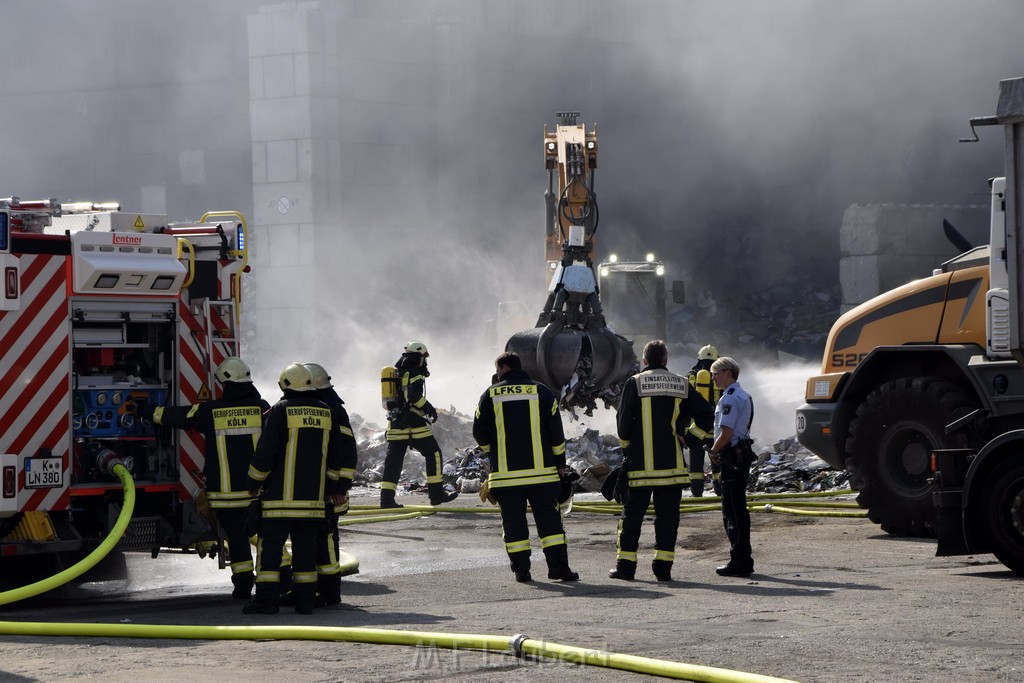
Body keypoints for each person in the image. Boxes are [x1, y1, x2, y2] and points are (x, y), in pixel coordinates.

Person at [140, 356, 270, 600]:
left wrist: (148, 411)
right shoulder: (264, 409)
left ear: (227, 385)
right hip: (259, 493)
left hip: (226, 496)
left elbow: (179, 416)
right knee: (268, 538)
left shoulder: (212, 411)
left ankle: (243, 587)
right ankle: (274, 584)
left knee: (238, 540)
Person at [243, 363, 346, 614]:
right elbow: (336, 457)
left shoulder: (280, 410)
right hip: (313, 504)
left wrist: (253, 483)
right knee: (306, 555)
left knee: (269, 552)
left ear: (286, 384)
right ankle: (305, 603)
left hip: (279, 503)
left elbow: (266, 453)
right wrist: (331, 486)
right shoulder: (326, 411)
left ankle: (266, 602)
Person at [610, 340, 714, 582]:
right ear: (665, 361)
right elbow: (708, 415)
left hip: (639, 468)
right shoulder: (681, 383)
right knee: (668, 520)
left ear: (645, 361)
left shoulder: (634, 383)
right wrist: (689, 438)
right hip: (672, 470)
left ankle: (626, 568)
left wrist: (628, 450)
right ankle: (663, 569)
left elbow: (623, 425)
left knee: (632, 518)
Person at [472, 351, 578, 583]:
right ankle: (559, 569)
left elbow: (479, 432)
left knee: (513, 525)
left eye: (498, 369)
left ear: (505, 368)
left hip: (506, 478)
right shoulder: (542, 391)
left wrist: (495, 453)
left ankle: (522, 571)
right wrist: (560, 466)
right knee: (550, 523)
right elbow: (556, 436)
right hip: (543, 475)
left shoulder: (489, 395)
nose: (496, 374)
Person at [304, 362, 358, 608]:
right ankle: (318, 590)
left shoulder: (333, 410)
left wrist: (339, 488)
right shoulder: (324, 405)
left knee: (326, 540)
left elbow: (347, 452)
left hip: (330, 492)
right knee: (319, 540)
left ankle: (328, 593)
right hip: (321, 489)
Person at [380, 340, 458, 508]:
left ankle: (386, 500)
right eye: (425, 357)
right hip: (413, 423)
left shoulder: (397, 371)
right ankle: (436, 495)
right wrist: (429, 409)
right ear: (420, 356)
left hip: (395, 424)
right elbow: (413, 397)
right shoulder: (414, 371)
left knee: (393, 461)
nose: (425, 360)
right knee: (434, 453)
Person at [705, 356, 756, 577]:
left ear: (727, 372)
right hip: (740, 457)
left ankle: (740, 561)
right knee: (738, 509)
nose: (713, 378)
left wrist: (714, 452)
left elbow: (725, 434)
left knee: (732, 511)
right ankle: (743, 559)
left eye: (715, 373)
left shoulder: (730, 398)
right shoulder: (743, 395)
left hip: (732, 459)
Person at [684, 344, 723, 497]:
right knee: (717, 463)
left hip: (696, 428)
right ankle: (720, 492)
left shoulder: (691, 376)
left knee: (695, 466)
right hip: (716, 430)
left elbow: (684, 402)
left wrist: (685, 427)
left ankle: (697, 494)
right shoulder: (720, 376)